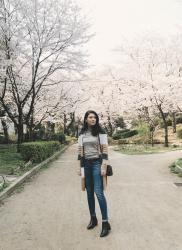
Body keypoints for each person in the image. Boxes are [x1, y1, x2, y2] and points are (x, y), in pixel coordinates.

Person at [76, 110, 111, 237]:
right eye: (90, 117)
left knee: (99, 192)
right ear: (86, 119)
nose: (93, 119)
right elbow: (80, 151)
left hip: (97, 163)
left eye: (95, 117)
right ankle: (93, 218)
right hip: (86, 164)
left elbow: (105, 149)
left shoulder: (100, 132)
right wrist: (80, 167)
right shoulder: (81, 133)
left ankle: (105, 222)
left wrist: (104, 165)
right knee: (89, 192)